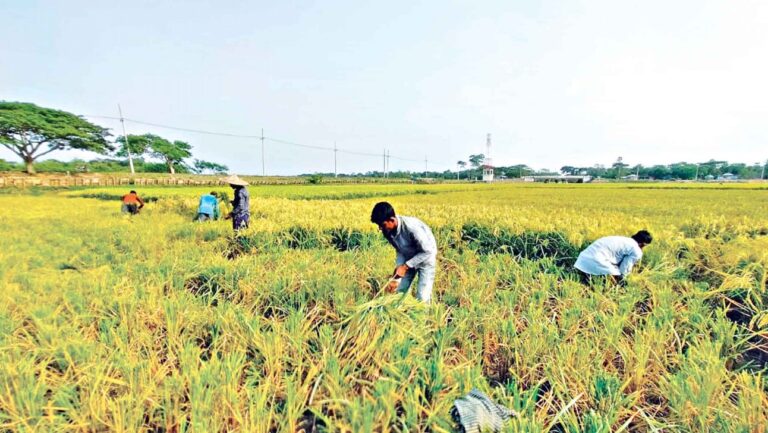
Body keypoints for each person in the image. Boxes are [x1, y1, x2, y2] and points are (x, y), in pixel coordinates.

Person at [370, 201, 437, 303]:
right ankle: (400, 315)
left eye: (382, 225)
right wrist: (396, 275)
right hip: (408, 258)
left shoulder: (412, 228)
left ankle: (422, 318)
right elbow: (400, 250)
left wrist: (405, 266)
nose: (380, 229)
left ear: (392, 220)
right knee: (400, 292)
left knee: (422, 297)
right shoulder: (387, 231)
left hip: (425, 259)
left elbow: (428, 251)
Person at [574, 230, 653, 284]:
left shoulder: (623, 239)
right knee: (616, 279)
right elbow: (625, 267)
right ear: (642, 244)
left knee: (585, 281)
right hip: (597, 259)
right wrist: (623, 280)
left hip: (583, 258)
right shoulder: (636, 249)